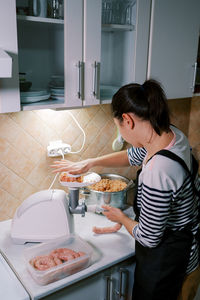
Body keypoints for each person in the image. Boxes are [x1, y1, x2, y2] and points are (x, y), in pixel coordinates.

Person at [51, 80, 200, 300]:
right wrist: (91, 163)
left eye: (118, 126)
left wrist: (122, 217)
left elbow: (149, 238)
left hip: (169, 259)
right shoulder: (170, 135)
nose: (121, 133)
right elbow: (133, 156)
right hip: (190, 245)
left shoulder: (158, 171)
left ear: (127, 120)